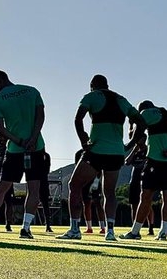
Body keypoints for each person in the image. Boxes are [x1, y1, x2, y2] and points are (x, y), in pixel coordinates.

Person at [60, 75, 144, 241]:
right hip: (116, 152)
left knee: (74, 184)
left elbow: (78, 119)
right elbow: (141, 122)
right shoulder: (121, 99)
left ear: (92, 86)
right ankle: (110, 232)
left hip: (97, 150)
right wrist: (130, 144)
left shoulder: (91, 96)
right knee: (109, 192)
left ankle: (75, 229)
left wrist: (83, 139)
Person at [0, 71, 47, 239]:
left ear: (1, 80)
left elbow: (0, 128)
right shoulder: (32, 91)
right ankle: (26, 228)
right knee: (33, 189)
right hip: (36, 147)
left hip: (15, 149)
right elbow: (41, 116)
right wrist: (33, 138)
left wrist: (19, 141)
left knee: (1, 187)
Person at [122, 101, 167, 240]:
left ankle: (135, 232)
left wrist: (128, 144)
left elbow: (136, 135)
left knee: (146, 196)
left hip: (155, 160)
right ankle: (163, 234)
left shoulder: (146, 113)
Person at [37, 150, 54, 232]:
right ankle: (26, 225)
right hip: (34, 181)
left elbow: (47, 169)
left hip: (43, 181)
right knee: (32, 201)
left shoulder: (46, 156)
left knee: (45, 204)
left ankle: (48, 225)